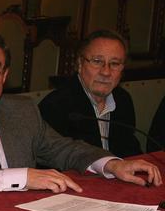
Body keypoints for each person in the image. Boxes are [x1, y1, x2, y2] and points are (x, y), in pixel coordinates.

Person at [0, 30, 162, 202]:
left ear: (4, 75)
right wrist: (23, 177)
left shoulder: (22, 110)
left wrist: (111, 164)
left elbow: (63, 148)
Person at [38, 30, 142, 158]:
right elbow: (50, 160)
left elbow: (130, 149)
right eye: (97, 61)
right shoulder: (55, 105)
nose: (106, 72)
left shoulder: (123, 100)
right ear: (80, 64)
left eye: (115, 64)